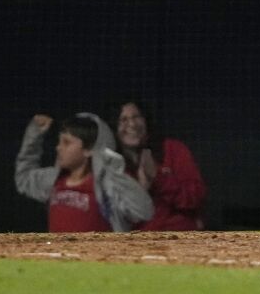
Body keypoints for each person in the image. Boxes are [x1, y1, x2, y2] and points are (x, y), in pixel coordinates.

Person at [15, 112, 154, 233]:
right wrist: (34, 136)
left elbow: (144, 211)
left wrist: (117, 173)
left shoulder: (107, 185)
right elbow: (23, 179)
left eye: (66, 143)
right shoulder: (54, 179)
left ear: (89, 150)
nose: (58, 148)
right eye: (59, 142)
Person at [114, 100, 207, 231]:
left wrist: (158, 178)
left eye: (136, 117)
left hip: (179, 240)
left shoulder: (172, 149)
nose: (132, 124)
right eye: (123, 120)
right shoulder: (109, 164)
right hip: (136, 244)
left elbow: (196, 198)